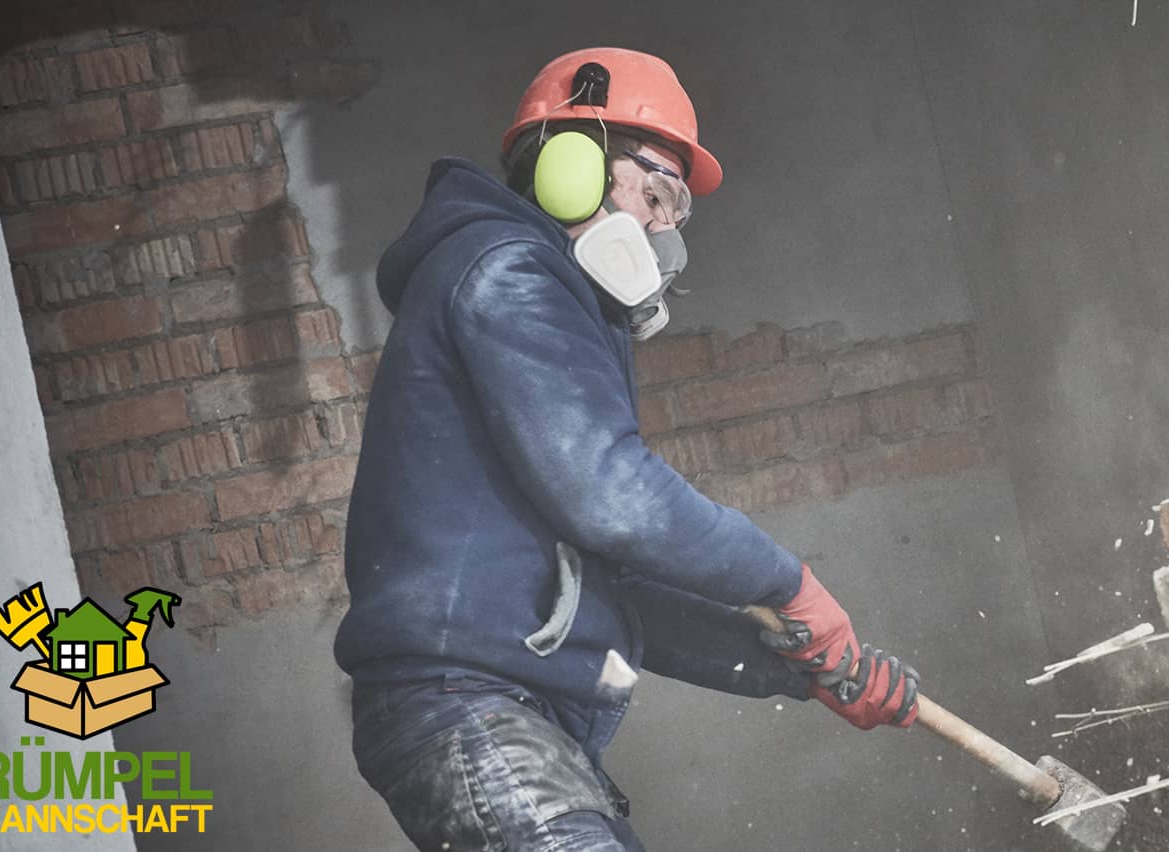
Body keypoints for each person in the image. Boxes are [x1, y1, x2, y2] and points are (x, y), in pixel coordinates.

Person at [334, 48, 919, 852]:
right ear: (570, 164)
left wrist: (797, 668)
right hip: (468, 700)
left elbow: (612, 589)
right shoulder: (507, 273)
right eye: (658, 193)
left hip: (497, 711)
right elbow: (612, 496)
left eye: (678, 210)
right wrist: (789, 584)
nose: (663, 232)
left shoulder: (537, 292)